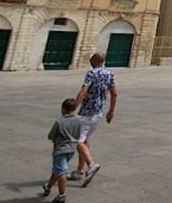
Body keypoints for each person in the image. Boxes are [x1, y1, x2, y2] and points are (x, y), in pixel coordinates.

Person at [68, 52, 117, 185]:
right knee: (85, 140)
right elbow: (114, 94)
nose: (89, 61)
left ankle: (91, 164)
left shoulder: (92, 73)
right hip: (98, 113)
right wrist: (111, 111)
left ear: (95, 60)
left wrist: (73, 106)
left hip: (86, 112)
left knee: (77, 140)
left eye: (91, 59)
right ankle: (79, 171)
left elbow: (83, 91)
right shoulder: (109, 74)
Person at [42, 98, 83, 201]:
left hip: (60, 150)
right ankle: (48, 186)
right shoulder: (79, 120)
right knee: (58, 169)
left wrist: (55, 138)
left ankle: (62, 195)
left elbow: (50, 136)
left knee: (62, 172)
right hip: (72, 149)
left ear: (63, 109)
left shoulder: (59, 122)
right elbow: (79, 134)